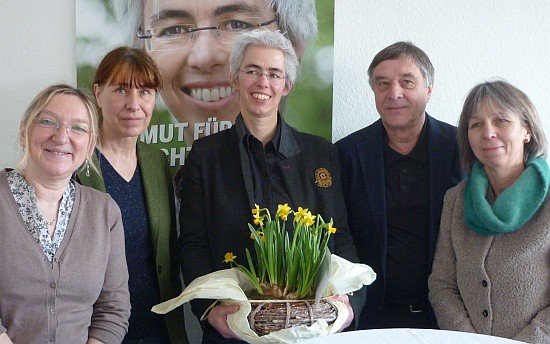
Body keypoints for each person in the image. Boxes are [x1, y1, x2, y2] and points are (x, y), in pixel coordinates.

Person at [177, 30, 363, 344]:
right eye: (252, 71)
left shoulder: (321, 154)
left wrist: (349, 305)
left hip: (310, 331)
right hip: (233, 331)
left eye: (274, 74)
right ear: (235, 79)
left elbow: (339, 236)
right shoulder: (205, 156)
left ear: (286, 85)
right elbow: (193, 244)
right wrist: (209, 309)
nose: (263, 82)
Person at [336, 41, 463, 329]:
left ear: (429, 90)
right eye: (383, 84)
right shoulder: (347, 155)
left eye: (407, 81)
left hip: (446, 317)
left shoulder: (462, 150)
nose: (394, 93)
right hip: (369, 316)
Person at [0, 84, 130, 343]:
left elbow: (113, 310)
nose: (61, 137)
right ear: (25, 130)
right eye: (48, 122)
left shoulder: (105, 212)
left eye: (78, 128)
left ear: (90, 143)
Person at [76, 47, 188, 344]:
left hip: (159, 327)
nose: (134, 104)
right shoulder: (76, 161)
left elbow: (167, 253)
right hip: (95, 331)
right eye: (121, 90)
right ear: (98, 94)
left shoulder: (156, 161)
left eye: (145, 92)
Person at [428, 80, 550, 343]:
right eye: (476, 124)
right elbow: (441, 284)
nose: (488, 132)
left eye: (501, 120)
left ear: (526, 130)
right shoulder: (456, 200)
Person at [111, 0, 317, 145]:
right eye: (173, 30)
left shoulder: (318, 163)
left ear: (294, 45)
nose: (204, 57)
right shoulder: (137, 181)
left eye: (237, 24)